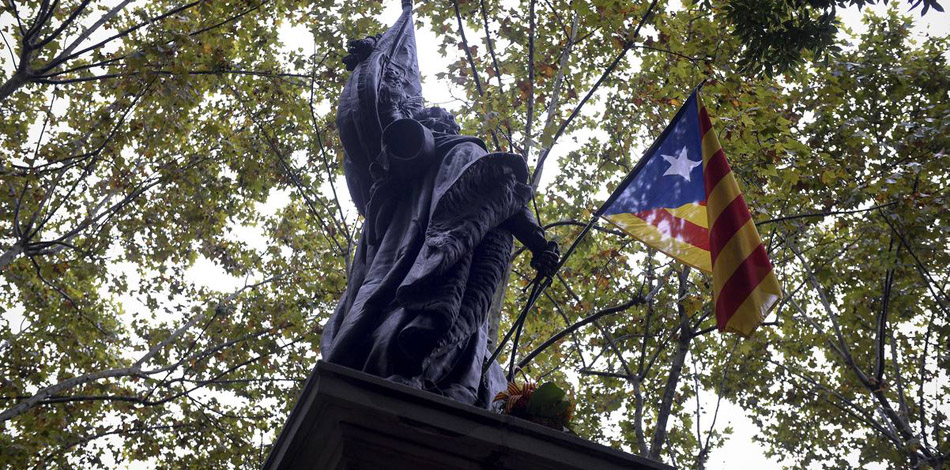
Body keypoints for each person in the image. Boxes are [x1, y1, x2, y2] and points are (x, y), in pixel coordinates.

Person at [320, 1, 558, 407]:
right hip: (412, 258)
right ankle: (414, 368)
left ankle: (442, 375)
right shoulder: (407, 166)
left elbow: (503, 195)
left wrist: (538, 243)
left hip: (460, 257)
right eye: (434, 121)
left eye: (442, 121)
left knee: (460, 316)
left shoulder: (463, 154)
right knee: (424, 310)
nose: (440, 125)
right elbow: (381, 110)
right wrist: (370, 66)